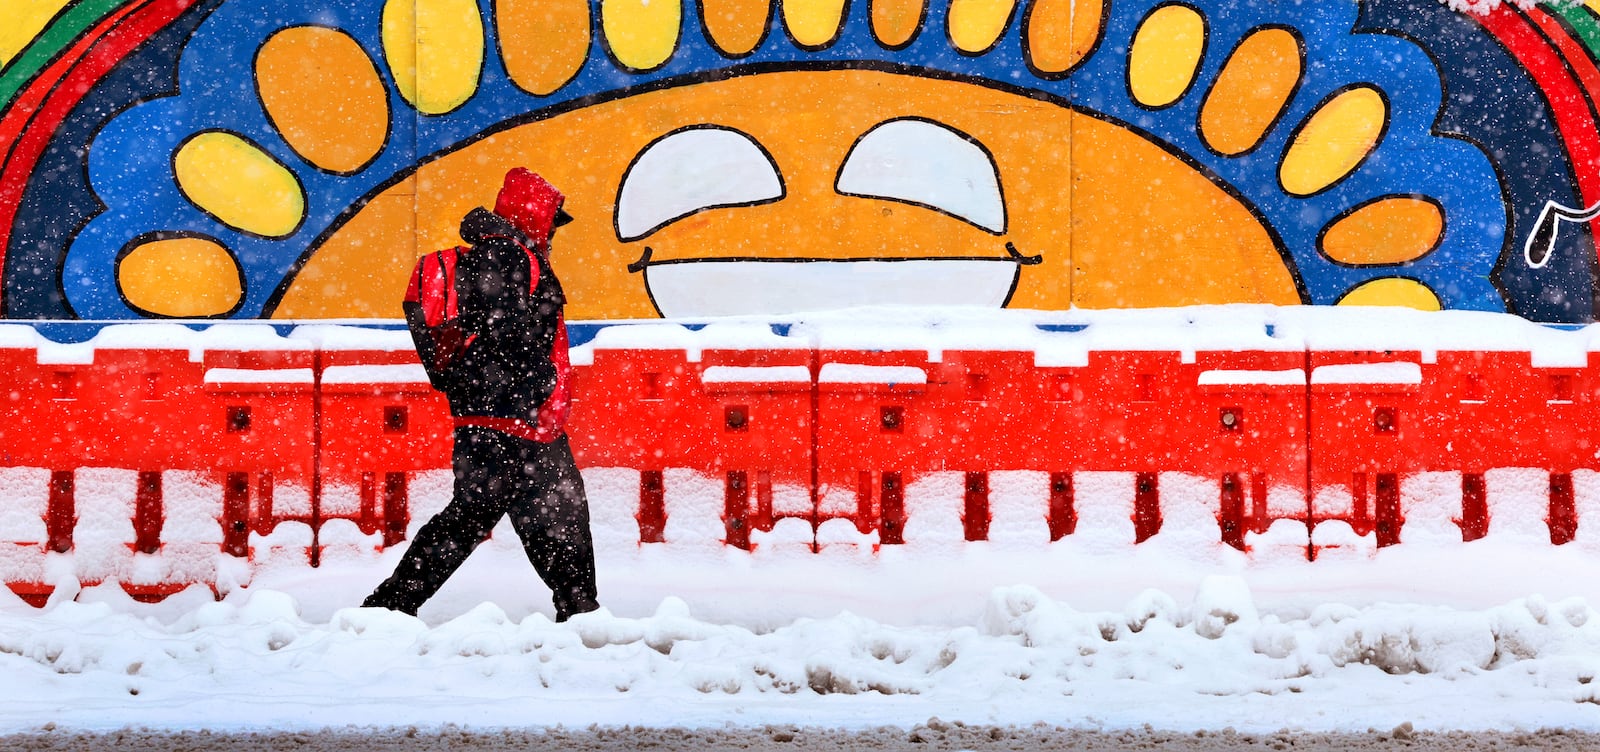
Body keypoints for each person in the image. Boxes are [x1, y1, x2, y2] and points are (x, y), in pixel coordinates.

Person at [363, 168, 599, 622]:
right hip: (517, 424)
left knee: (486, 518)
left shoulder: (505, 256)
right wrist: (535, 389)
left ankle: (388, 608)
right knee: (553, 514)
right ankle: (581, 613)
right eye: (551, 220)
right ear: (532, 213)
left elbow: (493, 336)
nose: (553, 229)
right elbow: (505, 337)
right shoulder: (507, 257)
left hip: (501, 423)